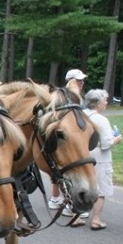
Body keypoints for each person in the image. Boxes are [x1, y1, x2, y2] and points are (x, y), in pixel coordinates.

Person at [47, 68, 90, 222]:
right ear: (70, 81)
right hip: (67, 139)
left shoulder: (74, 97)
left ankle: (56, 198)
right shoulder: (66, 98)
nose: (82, 82)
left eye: (82, 80)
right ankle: (69, 202)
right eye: (79, 80)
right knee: (69, 169)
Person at [83, 89, 123, 231]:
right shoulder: (101, 119)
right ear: (99, 103)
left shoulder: (80, 116)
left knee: (83, 186)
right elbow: (106, 143)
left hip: (82, 157)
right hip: (99, 158)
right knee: (100, 189)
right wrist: (116, 139)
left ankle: (77, 217)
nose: (107, 103)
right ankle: (96, 219)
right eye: (105, 100)